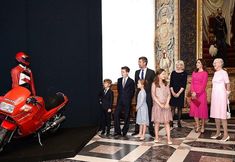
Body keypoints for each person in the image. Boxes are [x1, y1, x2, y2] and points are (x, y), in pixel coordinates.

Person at [132, 57, 155, 137]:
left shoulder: (151, 72)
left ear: (145, 63)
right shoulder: (136, 72)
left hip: (148, 95)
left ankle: (151, 130)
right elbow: (136, 84)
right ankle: (137, 130)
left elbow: (153, 84)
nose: (138, 63)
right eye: (138, 62)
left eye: (140, 62)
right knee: (139, 112)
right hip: (139, 94)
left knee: (148, 112)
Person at [210, 58, 231, 142]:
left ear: (220, 64)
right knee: (216, 114)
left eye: (216, 63)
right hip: (215, 96)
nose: (214, 64)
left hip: (222, 96)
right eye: (214, 63)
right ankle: (218, 132)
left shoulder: (224, 72)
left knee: (222, 115)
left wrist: (227, 94)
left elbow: (228, 83)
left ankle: (226, 135)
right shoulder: (215, 73)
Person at [151, 69, 172, 144]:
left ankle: (169, 139)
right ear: (158, 75)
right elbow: (153, 95)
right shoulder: (154, 84)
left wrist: (166, 103)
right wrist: (160, 104)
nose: (164, 75)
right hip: (157, 105)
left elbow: (169, 95)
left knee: (167, 122)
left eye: (165, 74)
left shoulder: (166, 84)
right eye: (163, 74)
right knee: (157, 122)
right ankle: (156, 137)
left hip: (165, 105)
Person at [114, 66, 135, 136]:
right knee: (116, 114)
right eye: (121, 71)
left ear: (127, 72)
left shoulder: (131, 81)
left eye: (123, 72)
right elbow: (119, 90)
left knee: (126, 116)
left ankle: (124, 131)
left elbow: (132, 92)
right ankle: (117, 131)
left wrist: (128, 99)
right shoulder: (119, 80)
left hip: (127, 101)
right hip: (119, 101)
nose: (121, 73)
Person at [189, 59, 208, 133]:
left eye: (198, 62)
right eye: (196, 62)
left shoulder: (205, 73)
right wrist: (193, 92)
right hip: (194, 95)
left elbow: (204, 85)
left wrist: (197, 93)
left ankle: (203, 126)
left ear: (202, 64)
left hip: (201, 95)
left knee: (202, 111)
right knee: (195, 110)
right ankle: (197, 125)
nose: (197, 64)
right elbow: (192, 83)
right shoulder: (194, 72)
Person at [169, 60, 187, 128]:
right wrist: (173, 92)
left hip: (181, 92)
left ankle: (179, 122)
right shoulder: (173, 73)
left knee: (179, 108)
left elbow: (183, 85)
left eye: (180, 64)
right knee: (172, 108)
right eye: (177, 64)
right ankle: (171, 121)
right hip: (173, 91)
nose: (178, 66)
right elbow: (171, 84)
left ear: (182, 65)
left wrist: (178, 93)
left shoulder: (184, 73)